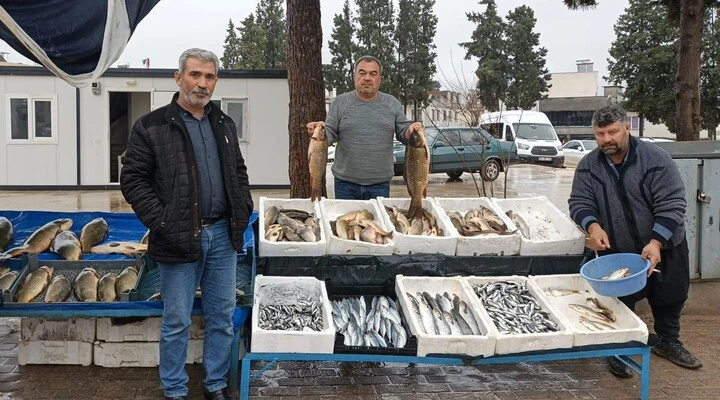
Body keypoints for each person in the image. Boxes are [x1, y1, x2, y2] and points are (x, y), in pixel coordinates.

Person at [121, 48, 253, 400]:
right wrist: (163, 221)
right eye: (195, 75)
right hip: (177, 237)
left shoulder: (224, 124)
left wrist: (243, 207)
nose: (202, 83)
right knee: (177, 320)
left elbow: (238, 172)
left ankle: (215, 385)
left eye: (209, 76)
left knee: (222, 317)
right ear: (178, 78)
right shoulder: (151, 126)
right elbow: (133, 180)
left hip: (222, 235)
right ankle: (175, 390)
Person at [568, 104, 702, 379]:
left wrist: (656, 242)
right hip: (619, 250)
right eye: (600, 134)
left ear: (627, 128)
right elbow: (579, 202)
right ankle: (619, 348)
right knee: (619, 301)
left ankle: (668, 341)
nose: (606, 139)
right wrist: (593, 226)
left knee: (670, 295)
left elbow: (673, 204)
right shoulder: (588, 166)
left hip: (665, 244)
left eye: (613, 132)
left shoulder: (656, 159)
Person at [307, 55, 423, 200]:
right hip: (345, 184)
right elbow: (330, 134)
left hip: (380, 184)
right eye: (362, 73)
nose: (367, 78)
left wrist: (411, 130)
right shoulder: (340, 103)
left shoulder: (392, 103)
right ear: (354, 77)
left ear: (380, 79)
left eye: (373, 74)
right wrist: (319, 132)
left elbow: (403, 132)